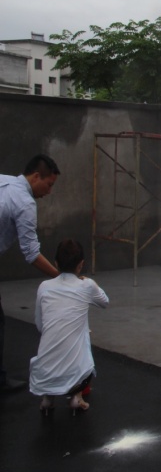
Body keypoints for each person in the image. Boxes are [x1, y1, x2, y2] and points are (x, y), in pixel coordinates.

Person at [0, 154, 61, 393]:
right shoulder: (25, 203)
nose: (49, 191)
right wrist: (61, 276)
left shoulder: (4, 181)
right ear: (36, 176)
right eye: (49, 184)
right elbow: (31, 253)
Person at [29, 239, 108, 414]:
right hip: (75, 373)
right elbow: (104, 302)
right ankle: (76, 397)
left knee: (55, 346)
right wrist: (91, 282)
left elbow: (40, 325)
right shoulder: (86, 286)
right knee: (83, 338)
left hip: (43, 374)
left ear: (56, 263)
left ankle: (48, 399)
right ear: (81, 264)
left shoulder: (44, 287)